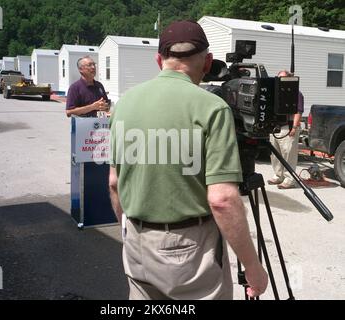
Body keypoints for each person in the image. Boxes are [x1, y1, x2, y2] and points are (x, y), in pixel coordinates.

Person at [109, 20, 268, 300]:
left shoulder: (123, 104)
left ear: (159, 60)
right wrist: (253, 268)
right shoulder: (213, 108)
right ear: (207, 62)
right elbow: (222, 200)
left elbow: (114, 183)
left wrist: (128, 228)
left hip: (135, 242)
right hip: (190, 253)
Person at [268, 70, 304, 189]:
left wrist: (294, 127)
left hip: (288, 127)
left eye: (283, 78)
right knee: (275, 153)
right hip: (276, 128)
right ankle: (279, 175)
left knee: (288, 154)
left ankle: (289, 179)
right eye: (279, 78)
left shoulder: (296, 93)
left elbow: (298, 111)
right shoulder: (276, 93)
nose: (281, 81)